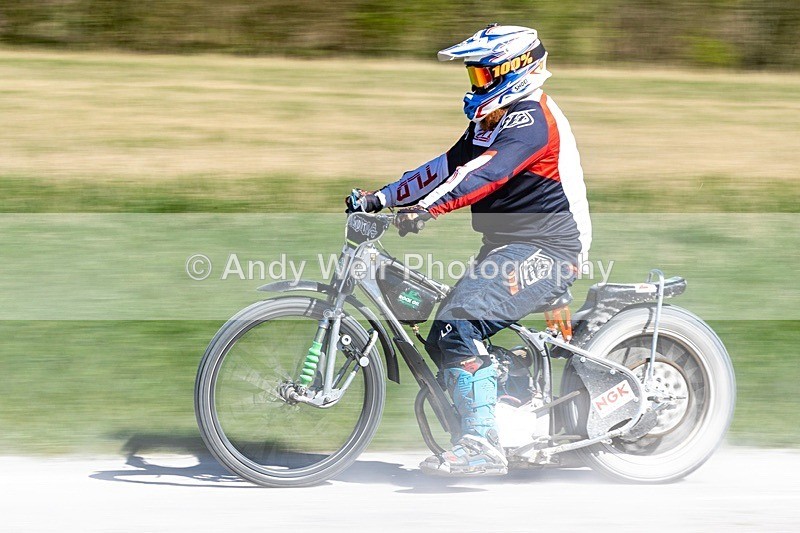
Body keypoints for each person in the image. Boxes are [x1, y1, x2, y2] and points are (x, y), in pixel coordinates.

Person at [346, 24, 591, 476]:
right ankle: (512, 402)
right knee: (444, 335)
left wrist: (426, 210)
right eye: (473, 75)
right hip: (509, 245)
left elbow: (485, 175)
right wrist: (382, 198)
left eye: (482, 74)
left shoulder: (530, 118)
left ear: (513, 70)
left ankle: (481, 443)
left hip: (548, 249)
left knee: (460, 323)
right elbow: (446, 166)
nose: (475, 83)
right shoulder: (492, 121)